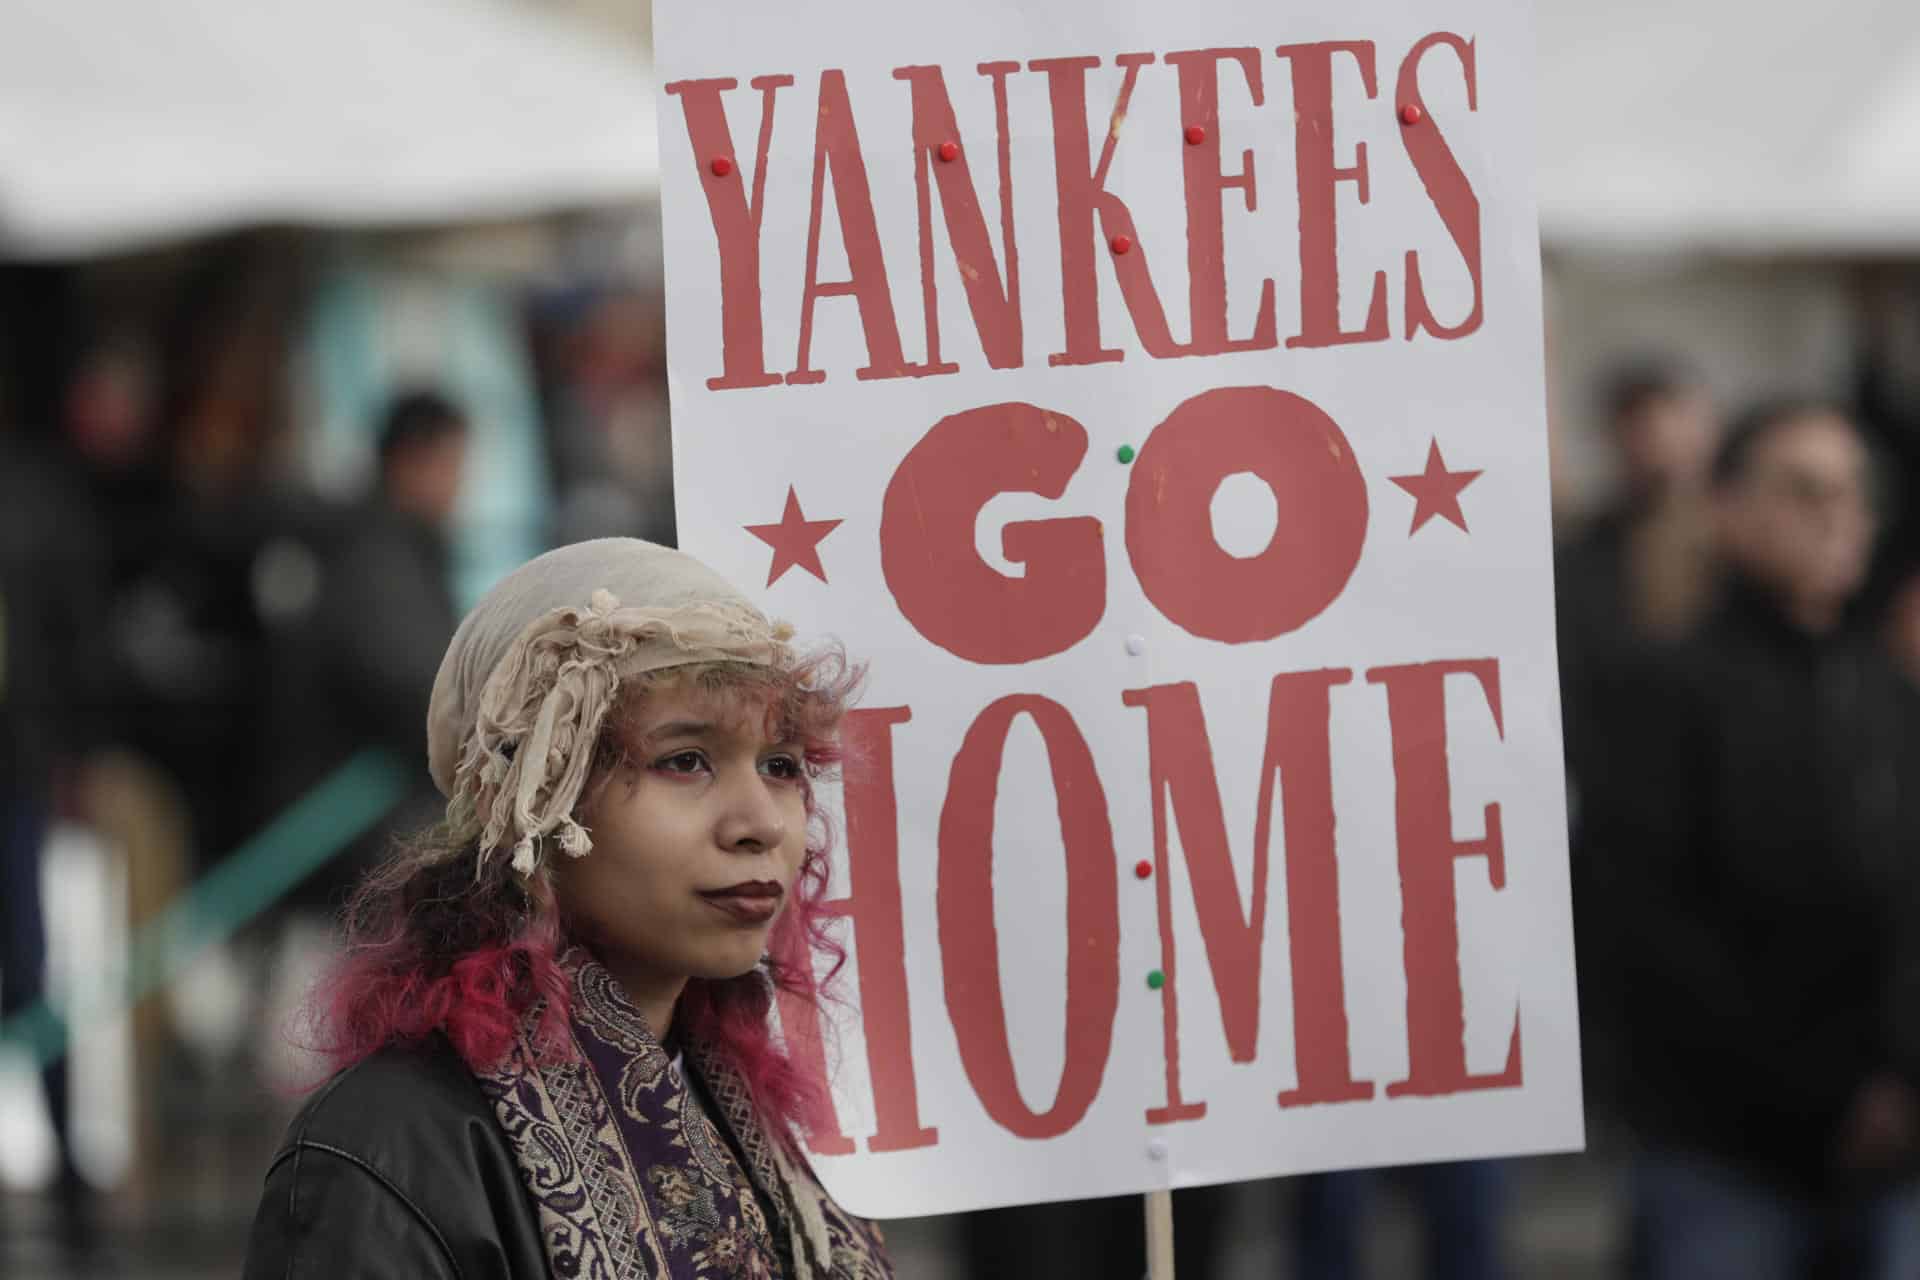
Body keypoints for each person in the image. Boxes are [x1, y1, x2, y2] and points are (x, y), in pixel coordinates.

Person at [243, 537, 892, 1278]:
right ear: (534, 801)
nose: (762, 823)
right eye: (685, 760)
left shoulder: (758, 1125)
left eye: (781, 766)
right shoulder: (384, 1152)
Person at [1581, 400, 1920, 1279]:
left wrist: (1901, 1080)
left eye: (1852, 492)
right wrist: (1831, 1096)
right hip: (1725, 1156)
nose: (1837, 516)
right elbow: (1648, 933)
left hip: (1894, 1152)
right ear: (1728, 507)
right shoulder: (1664, 691)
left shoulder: (1884, 692)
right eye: (1805, 491)